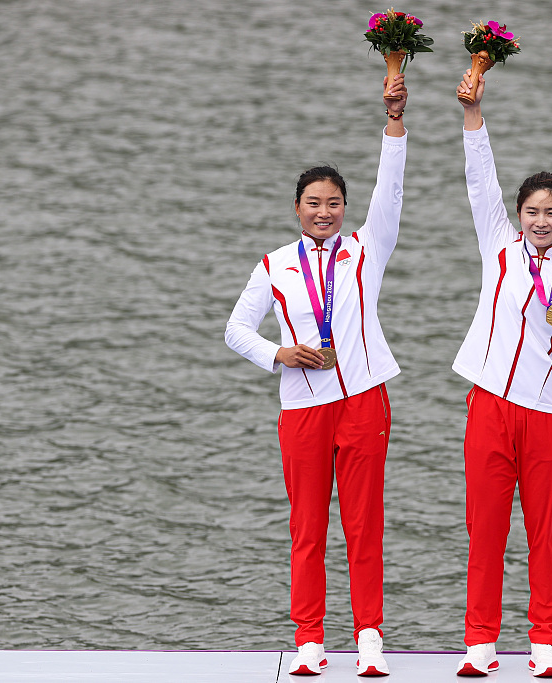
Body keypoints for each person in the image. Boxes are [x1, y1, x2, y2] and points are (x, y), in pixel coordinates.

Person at [224, 73, 409, 677]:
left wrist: (394, 121)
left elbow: (393, 189)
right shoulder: (274, 265)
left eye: (333, 203)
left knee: (364, 525)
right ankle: (309, 640)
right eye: (313, 203)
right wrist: (279, 353)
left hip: (363, 402)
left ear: (345, 209)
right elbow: (235, 331)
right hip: (303, 409)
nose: (324, 211)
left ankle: (370, 638)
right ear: (297, 208)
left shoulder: (366, 249)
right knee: (308, 527)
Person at [452, 70, 552, 678]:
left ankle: (544, 647)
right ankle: (480, 648)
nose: (539, 220)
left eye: (551, 212)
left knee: (545, 535)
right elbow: (478, 182)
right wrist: (473, 116)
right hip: (489, 405)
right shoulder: (497, 245)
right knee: (485, 532)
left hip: (548, 417)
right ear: (517, 215)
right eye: (531, 211)